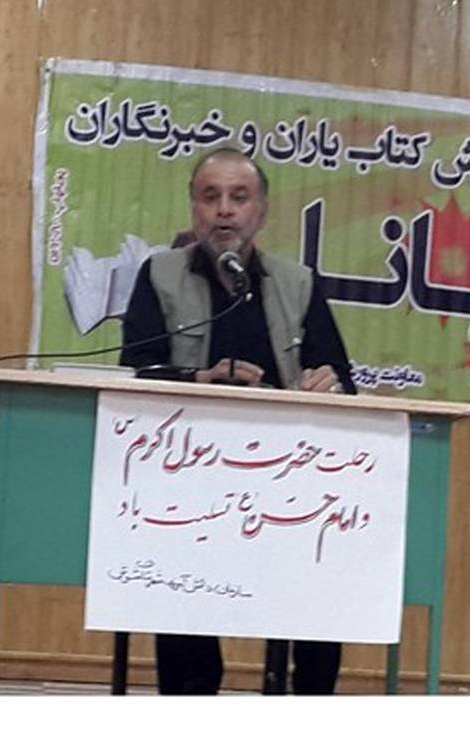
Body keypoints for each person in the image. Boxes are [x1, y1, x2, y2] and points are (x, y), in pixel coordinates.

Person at [120, 147, 355, 694]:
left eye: (239, 198)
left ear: (261, 213)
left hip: (285, 478)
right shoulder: (160, 275)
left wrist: (330, 382)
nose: (224, 210)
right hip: (188, 477)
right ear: (194, 208)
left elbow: (342, 375)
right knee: (184, 599)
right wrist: (196, 379)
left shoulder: (297, 282)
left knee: (326, 577)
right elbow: (135, 367)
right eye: (211, 197)